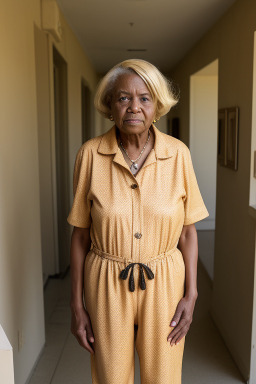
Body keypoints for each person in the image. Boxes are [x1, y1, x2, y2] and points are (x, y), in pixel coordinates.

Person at [67, 58, 209, 384]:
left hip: (165, 283)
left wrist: (192, 294)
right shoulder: (90, 155)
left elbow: (188, 232)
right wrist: (77, 306)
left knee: (163, 376)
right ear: (110, 106)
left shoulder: (178, 155)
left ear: (157, 105)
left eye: (144, 98)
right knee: (111, 377)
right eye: (123, 98)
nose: (134, 107)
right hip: (106, 282)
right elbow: (79, 236)